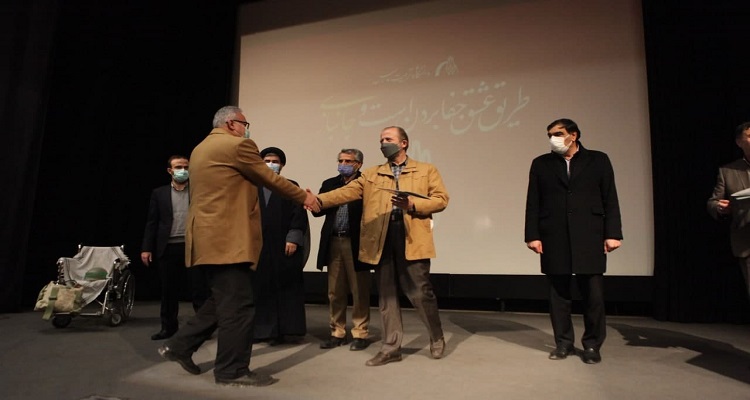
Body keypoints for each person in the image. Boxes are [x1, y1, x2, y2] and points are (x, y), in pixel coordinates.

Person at [157, 106, 320, 387]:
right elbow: (269, 178)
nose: (247, 129)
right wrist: (304, 197)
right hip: (227, 240)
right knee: (239, 308)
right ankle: (231, 370)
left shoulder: (200, 149)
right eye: (245, 124)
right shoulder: (237, 146)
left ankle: (179, 346)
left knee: (222, 300)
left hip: (207, 238)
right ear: (232, 124)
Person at [316, 126, 449, 366]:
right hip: (381, 238)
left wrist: (413, 204)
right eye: (381, 140)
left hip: (411, 236)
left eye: (388, 139)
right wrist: (317, 200)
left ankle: (436, 337)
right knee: (387, 295)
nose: (383, 143)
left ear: (403, 143)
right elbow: (345, 192)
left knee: (421, 293)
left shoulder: (426, 170)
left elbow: (441, 200)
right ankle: (391, 348)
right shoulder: (372, 174)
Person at [524, 118, 622, 365]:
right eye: (550, 135)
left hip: (590, 234)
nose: (553, 139)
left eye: (558, 134)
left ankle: (592, 345)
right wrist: (532, 235)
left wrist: (613, 233)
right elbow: (533, 202)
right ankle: (563, 343)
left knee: (593, 295)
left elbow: (610, 197)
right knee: (558, 294)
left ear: (574, 135)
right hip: (554, 234)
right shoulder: (541, 163)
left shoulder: (598, 160)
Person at [140, 155, 209, 340]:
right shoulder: (159, 193)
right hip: (168, 247)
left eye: (186, 167)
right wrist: (146, 248)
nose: (183, 170)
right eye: (178, 167)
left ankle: (202, 329)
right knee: (168, 291)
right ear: (170, 171)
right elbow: (152, 222)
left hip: (193, 246)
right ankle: (168, 328)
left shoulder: (197, 191)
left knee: (198, 289)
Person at [313, 149, 371, 351]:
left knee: (359, 290)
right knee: (335, 291)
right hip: (334, 241)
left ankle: (360, 333)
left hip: (357, 242)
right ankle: (337, 332)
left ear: (359, 164)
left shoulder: (366, 184)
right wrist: (313, 201)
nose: (343, 164)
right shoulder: (330, 184)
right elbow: (317, 212)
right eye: (341, 160)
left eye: (348, 161)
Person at [252, 147, 310, 345]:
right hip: (257, 246)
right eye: (267, 160)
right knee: (260, 288)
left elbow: (298, 214)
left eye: (275, 161)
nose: (271, 164)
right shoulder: (251, 186)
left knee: (286, 288)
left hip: (284, 246)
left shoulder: (290, 186)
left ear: (282, 165)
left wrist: (293, 238)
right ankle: (262, 331)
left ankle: (287, 330)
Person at [707, 121, 750, 301]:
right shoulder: (728, 171)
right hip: (746, 241)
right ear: (739, 142)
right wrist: (719, 207)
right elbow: (713, 202)